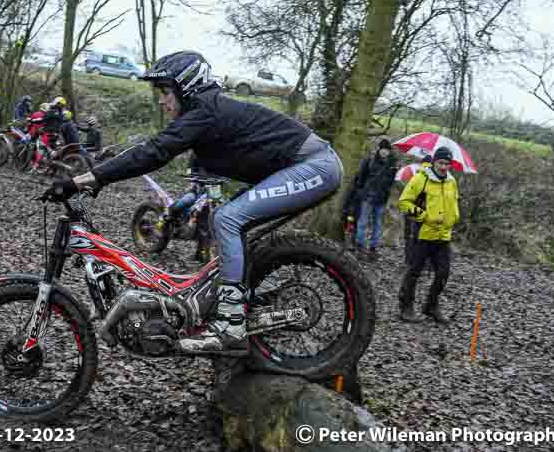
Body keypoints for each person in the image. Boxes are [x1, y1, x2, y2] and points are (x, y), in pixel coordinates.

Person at [42, 50, 343, 352]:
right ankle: (226, 301)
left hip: (316, 165)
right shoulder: (206, 113)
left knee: (228, 218)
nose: (161, 100)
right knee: (224, 218)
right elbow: (162, 149)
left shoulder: (205, 111)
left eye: (165, 91)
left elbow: (154, 152)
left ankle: (231, 325)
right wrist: (99, 177)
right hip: (300, 166)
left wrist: (87, 179)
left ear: (186, 87)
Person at [397, 147, 460, 324]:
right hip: (422, 234)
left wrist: (454, 216)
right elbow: (403, 202)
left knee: (443, 273)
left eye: (447, 164)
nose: (443, 167)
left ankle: (431, 306)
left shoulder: (451, 182)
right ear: (434, 162)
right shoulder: (420, 179)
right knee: (414, 272)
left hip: (443, 236)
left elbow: (454, 203)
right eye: (441, 163)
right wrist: (424, 217)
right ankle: (406, 307)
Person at [353, 138, 398, 259]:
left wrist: (387, 192)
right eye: (383, 149)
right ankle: (360, 247)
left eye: (387, 150)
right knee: (363, 222)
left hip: (382, 198)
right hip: (368, 196)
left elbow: (392, 182)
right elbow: (361, 177)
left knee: (377, 224)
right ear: (379, 149)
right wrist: (361, 190)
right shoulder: (370, 160)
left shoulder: (393, 165)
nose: (384, 152)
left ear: (389, 151)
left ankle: (373, 248)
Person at [403, 155, 432, 266]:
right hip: (426, 210)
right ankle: (421, 262)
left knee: (410, 235)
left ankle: (410, 260)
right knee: (423, 237)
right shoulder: (435, 178)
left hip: (411, 208)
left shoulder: (417, 174)